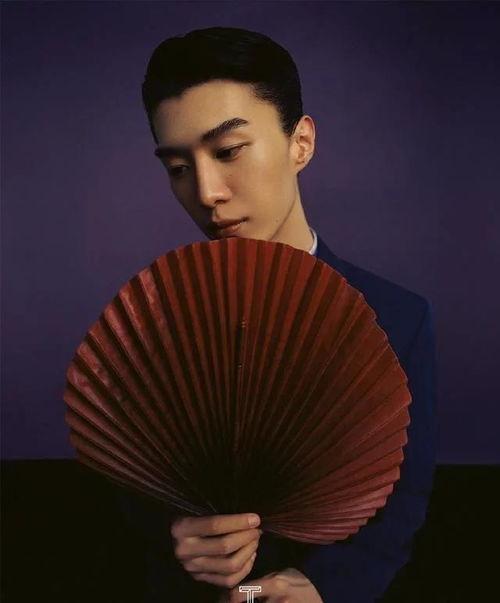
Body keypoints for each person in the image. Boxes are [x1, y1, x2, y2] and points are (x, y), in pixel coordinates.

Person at [115, 26, 437, 603]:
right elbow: (130, 487)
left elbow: (402, 503)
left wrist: (323, 584)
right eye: (178, 167)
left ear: (300, 143)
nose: (206, 192)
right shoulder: (150, 325)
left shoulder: (398, 320)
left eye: (228, 151)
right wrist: (176, 534)